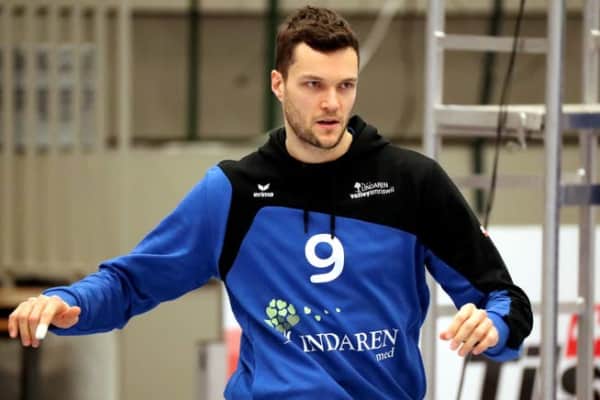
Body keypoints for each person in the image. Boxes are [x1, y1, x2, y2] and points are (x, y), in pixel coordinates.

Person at [8, 5, 532, 399]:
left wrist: (494, 326)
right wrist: (70, 302)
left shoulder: (413, 183)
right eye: (313, 85)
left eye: (346, 85)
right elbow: (131, 282)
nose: (332, 103)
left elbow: (504, 298)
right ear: (278, 84)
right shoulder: (233, 193)